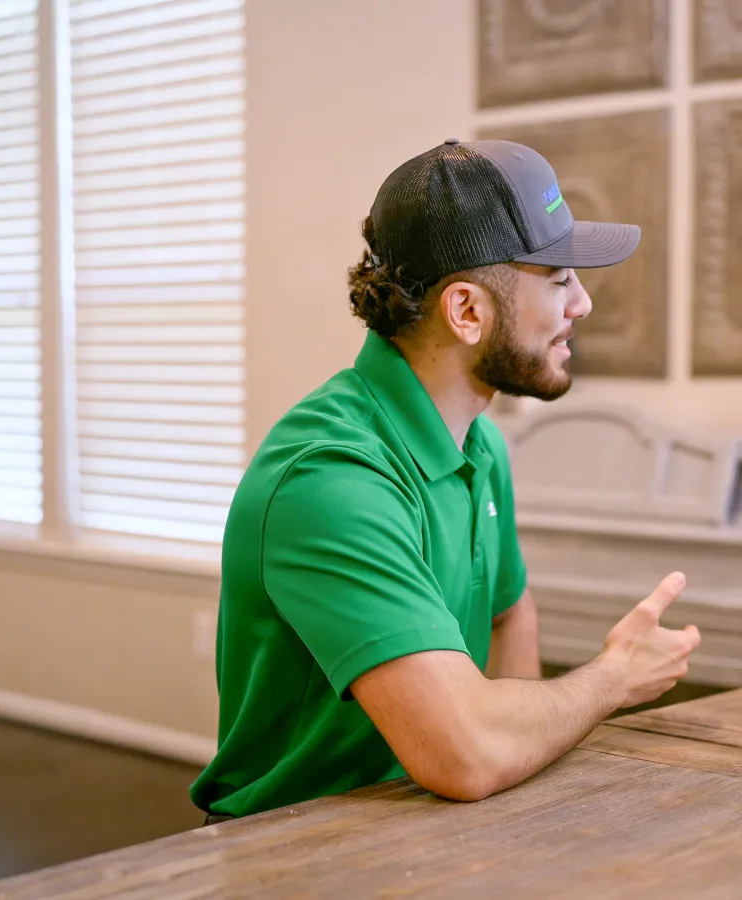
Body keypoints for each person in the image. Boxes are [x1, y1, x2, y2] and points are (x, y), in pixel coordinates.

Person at [190, 139, 700, 818]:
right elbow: (462, 754)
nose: (582, 303)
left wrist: (514, 760)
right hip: (293, 858)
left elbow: (509, 610)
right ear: (466, 312)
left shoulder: (481, 447)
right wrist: (612, 679)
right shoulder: (329, 480)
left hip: (431, 836)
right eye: (556, 278)